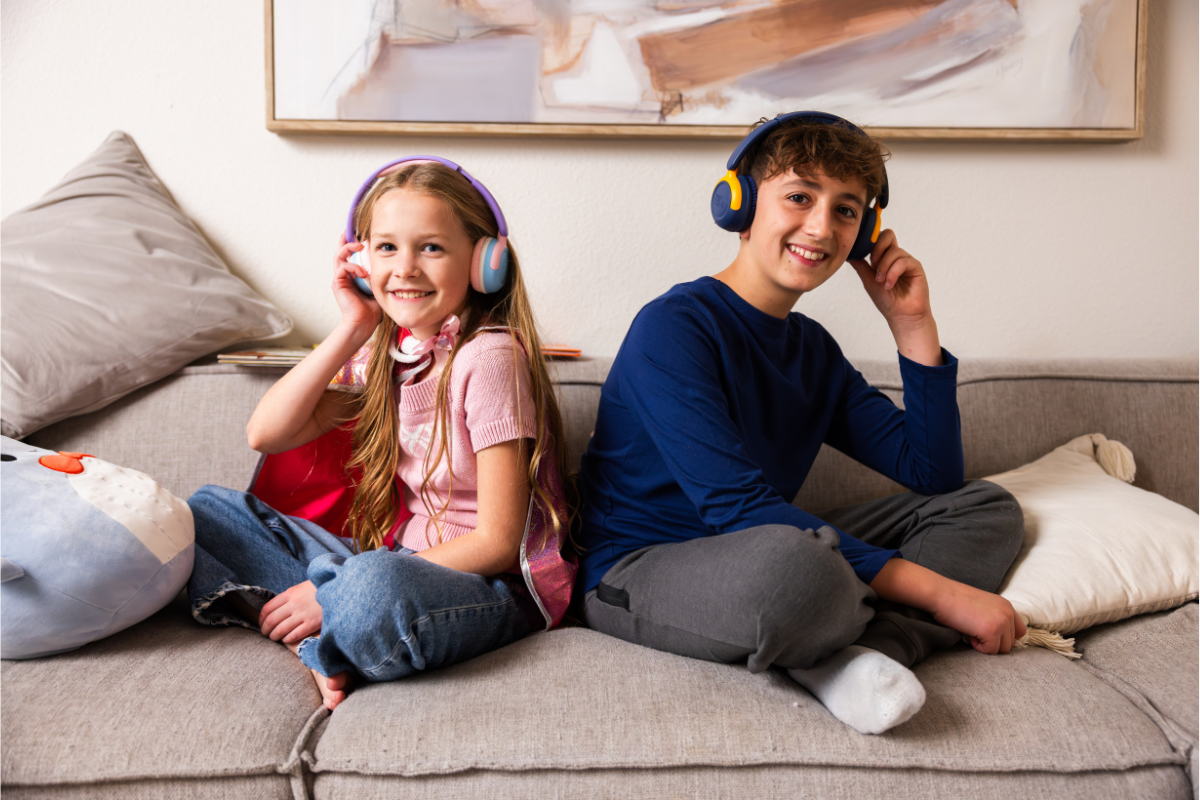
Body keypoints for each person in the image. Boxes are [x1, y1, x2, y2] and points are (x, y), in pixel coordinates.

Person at [576, 112, 1026, 735]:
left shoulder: (814, 350)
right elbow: (737, 507)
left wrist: (913, 327)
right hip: (642, 569)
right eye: (799, 196)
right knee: (796, 572)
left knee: (987, 508)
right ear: (739, 204)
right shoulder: (673, 327)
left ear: (864, 231)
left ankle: (864, 655)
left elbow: (935, 474)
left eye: (847, 210)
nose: (821, 226)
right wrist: (944, 593)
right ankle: (841, 631)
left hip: (770, 544)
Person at [186, 158, 576, 710]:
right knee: (199, 515)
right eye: (387, 248)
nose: (406, 268)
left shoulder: (490, 358)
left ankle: (329, 630)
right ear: (363, 260)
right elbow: (265, 433)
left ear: (485, 263)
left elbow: (497, 542)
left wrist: (335, 586)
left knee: (373, 588)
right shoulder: (384, 356)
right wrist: (352, 326)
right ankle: (327, 638)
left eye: (432, 248)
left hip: (482, 587)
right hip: (389, 559)